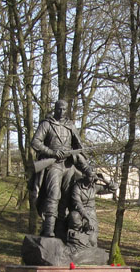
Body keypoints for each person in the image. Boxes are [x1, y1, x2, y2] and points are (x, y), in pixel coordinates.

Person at [30, 100, 93, 238]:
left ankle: (60, 230)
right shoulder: (46, 124)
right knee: (53, 195)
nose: (61, 112)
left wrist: (86, 167)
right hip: (53, 165)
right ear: (55, 109)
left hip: (68, 166)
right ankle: (48, 230)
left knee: (66, 198)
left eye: (64, 109)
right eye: (59, 109)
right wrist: (52, 153)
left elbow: (79, 148)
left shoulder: (71, 126)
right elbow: (35, 142)